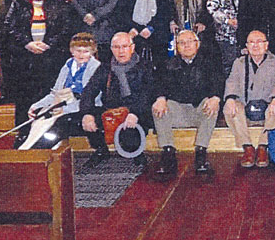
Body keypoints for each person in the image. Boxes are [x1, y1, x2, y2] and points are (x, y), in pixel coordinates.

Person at [3, 0, 71, 141]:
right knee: (25, 94)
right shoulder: (18, 0)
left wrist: (48, 44)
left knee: (49, 93)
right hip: (25, 56)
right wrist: (27, 43)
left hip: (51, 55)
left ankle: (48, 133)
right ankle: (24, 132)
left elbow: (65, 27)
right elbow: (10, 26)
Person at [27, 33, 110, 166]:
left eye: (86, 51)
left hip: (89, 106)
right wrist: (36, 105)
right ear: (72, 51)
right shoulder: (67, 66)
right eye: (78, 50)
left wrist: (64, 110)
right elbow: (55, 93)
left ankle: (40, 156)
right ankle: (30, 151)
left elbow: (92, 98)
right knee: (38, 118)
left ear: (92, 52)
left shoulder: (96, 67)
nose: (81, 54)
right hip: (66, 104)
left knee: (58, 124)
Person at [152, 30, 223, 176]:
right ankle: (168, 154)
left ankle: (201, 154)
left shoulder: (210, 62)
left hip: (199, 110)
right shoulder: (168, 64)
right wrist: (160, 98)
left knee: (212, 104)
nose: (186, 45)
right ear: (176, 46)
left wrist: (215, 97)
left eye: (190, 41)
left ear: (198, 44)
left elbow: (219, 82)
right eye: (182, 43)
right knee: (158, 106)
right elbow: (158, 85)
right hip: (178, 110)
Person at [81, 32, 155, 168]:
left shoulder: (144, 66)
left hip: (137, 111)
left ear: (132, 47)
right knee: (89, 120)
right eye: (116, 47)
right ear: (111, 49)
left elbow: (148, 94)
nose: (121, 51)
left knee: (130, 139)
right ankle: (101, 150)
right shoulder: (105, 68)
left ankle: (136, 153)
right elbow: (89, 90)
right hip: (112, 110)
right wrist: (87, 113)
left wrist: (134, 113)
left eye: (125, 46)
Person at [224, 30, 275, 168]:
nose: (255, 45)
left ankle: (263, 146)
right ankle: (247, 147)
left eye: (259, 41)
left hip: (267, 106)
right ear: (246, 46)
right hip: (245, 104)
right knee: (230, 107)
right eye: (251, 42)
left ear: (266, 45)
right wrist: (229, 98)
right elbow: (232, 81)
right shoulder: (239, 63)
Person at [115, 0, 174, 72]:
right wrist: (136, 28)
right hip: (135, 33)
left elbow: (166, 11)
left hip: (157, 33)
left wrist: (151, 28)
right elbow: (122, 11)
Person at [206, 0, 249, 77]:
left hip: (245, 32)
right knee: (228, 67)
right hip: (225, 33)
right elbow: (211, 6)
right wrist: (227, 20)